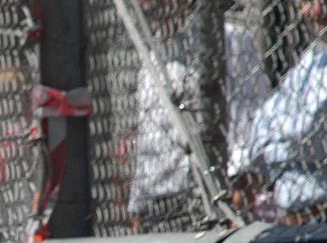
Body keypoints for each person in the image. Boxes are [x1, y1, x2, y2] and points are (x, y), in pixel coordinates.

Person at [128, 0, 269, 231]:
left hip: (205, 202)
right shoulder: (151, 57)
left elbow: (250, 126)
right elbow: (147, 145)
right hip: (156, 211)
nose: (144, 5)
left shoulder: (227, 40)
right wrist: (137, 208)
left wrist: (240, 200)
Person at [236, 0, 327, 225]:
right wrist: (290, 142)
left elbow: (309, 134)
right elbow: (258, 137)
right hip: (299, 220)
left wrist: (280, 143)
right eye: (308, 1)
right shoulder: (313, 60)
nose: (316, 11)